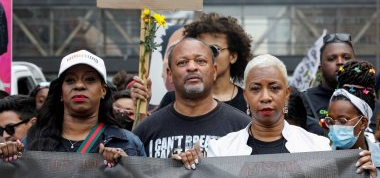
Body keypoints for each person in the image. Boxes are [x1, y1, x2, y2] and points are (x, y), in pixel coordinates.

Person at [176, 55, 375, 176]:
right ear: (245, 95)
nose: (265, 97)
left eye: (274, 88)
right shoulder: (219, 151)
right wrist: (186, 165)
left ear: (287, 94)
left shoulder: (319, 147)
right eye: (255, 89)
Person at [0, 50, 145, 167]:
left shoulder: (126, 143)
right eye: (70, 80)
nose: (79, 86)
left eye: (89, 79)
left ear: (103, 90)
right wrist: (8, 161)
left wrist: (128, 167)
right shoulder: (33, 141)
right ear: (61, 93)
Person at [133, 38, 251, 161]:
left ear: (214, 71)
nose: (192, 67)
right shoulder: (146, 130)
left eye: (200, 61)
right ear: (170, 74)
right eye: (182, 63)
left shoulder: (243, 127)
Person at [132, 12, 253, 113]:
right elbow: (146, 138)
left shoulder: (249, 100)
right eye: (200, 49)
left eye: (214, 49)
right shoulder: (173, 98)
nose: (206, 56)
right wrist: (141, 106)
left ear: (233, 56)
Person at [326, 59, 379, 177]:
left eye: (343, 121)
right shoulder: (319, 160)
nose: (334, 127)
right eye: (330, 121)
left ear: (363, 122)